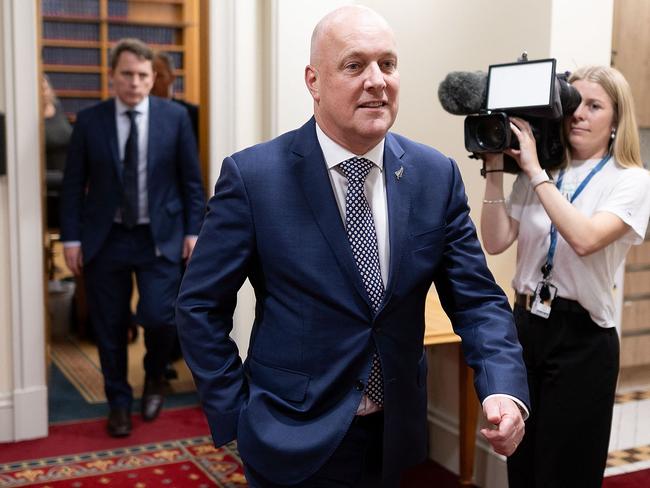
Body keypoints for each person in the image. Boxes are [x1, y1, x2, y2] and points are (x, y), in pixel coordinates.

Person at [176, 6, 529, 487]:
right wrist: (237, 413)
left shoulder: (435, 175)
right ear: (313, 81)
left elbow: (478, 300)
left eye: (388, 64)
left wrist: (503, 389)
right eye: (354, 65)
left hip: (394, 435)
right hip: (288, 434)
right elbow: (199, 306)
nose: (377, 80)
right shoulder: (255, 177)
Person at [480, 65, 650, 487]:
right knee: (523, 465)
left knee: (566, 470)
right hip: (525, 328)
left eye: (594, 106)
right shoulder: (544, 173)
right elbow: (496, 240)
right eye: (574, 104)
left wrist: (535, 171)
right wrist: (496, 167)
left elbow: (586, 238)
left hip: (582, 341)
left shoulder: (632, 181)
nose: (579, 114)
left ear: (616, 122)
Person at [60, 38, 205, 438]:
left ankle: (155, 376)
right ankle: (119, 402)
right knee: (109, 326)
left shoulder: (174, 118)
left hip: (160, 237)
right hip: (105, 239)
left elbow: (191, 181)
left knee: (160, 316)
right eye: (127, 74)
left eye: (143, 75)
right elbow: (74, 185)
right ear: (112, 77)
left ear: (152, 77)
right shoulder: (90, 121)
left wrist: (194, 230)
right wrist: (71, 240)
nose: (135, 82)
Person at [43, 74, 73, 230]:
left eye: (45, 87)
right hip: (46, 181)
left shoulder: (57, 107)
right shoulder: (25, 117)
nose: (43, 91)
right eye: (39, 88)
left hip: (66, 179)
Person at [151, 51, 199, 145]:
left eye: (159, 76)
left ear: (172, 78)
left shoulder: (192, 113)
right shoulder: (137, 114)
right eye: (149, 76)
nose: (152, 83)